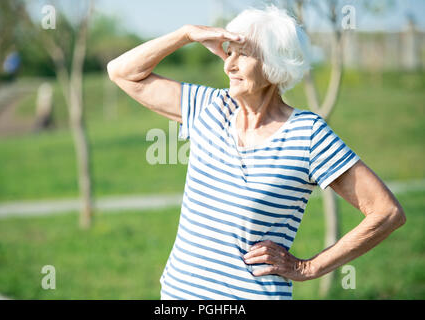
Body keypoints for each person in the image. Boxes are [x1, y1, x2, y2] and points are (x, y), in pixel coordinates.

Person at [107, 5, 406, 300]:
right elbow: (121, 72)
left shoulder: (307, 134)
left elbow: (386, 212)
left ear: (275, 65)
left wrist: (309, 267)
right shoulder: (208, 107)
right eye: (229, 51)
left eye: (243, 54)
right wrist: (186, 34)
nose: (229, 65)